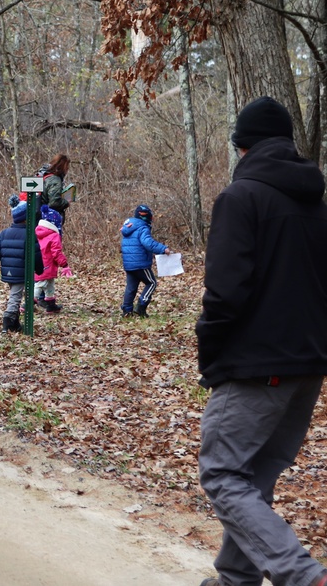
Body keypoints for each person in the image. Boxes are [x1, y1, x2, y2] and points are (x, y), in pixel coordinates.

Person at [195, 96, 327, 586]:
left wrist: (211, 350)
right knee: (254, 477)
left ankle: (302, 576)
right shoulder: (316, 205)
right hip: (309, 364)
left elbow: (225, 292)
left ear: (241, 148)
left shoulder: (241, 198)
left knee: (224, 474)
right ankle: (236, 580)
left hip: (256, 364)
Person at [0, 196, 43, 333]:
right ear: (26, 218)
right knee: (15, 297)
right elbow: (36, 254)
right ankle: (8, 322)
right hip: (21, 272)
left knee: (15, 294)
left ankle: (15, 323)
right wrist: (39, 269)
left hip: (8, 272)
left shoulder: (4, 233)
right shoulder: (29, 234)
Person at [119, 204, 169, 317]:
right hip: (140, 263)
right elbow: (147, 243)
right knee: (151, 283)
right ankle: (141, 306)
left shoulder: (129, 227)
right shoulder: (142, 227)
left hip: (129, 264)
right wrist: (163, 249)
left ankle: (127, 311)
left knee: (131, 288)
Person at [34, 205, 70, 313]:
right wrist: (64, 264)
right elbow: (56, 253)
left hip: (40, 263)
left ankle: (51, 304)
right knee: (41, 284)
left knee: (50, 284)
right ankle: (28, 303)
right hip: (48, 264)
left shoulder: (38, 232)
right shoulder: (54, 236)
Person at [34, 153, 71, 226]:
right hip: (47, 220)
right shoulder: (55, 180)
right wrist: (66, 201)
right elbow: (54, 202)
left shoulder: (44, 174)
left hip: (37, 217)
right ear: (63, 167)